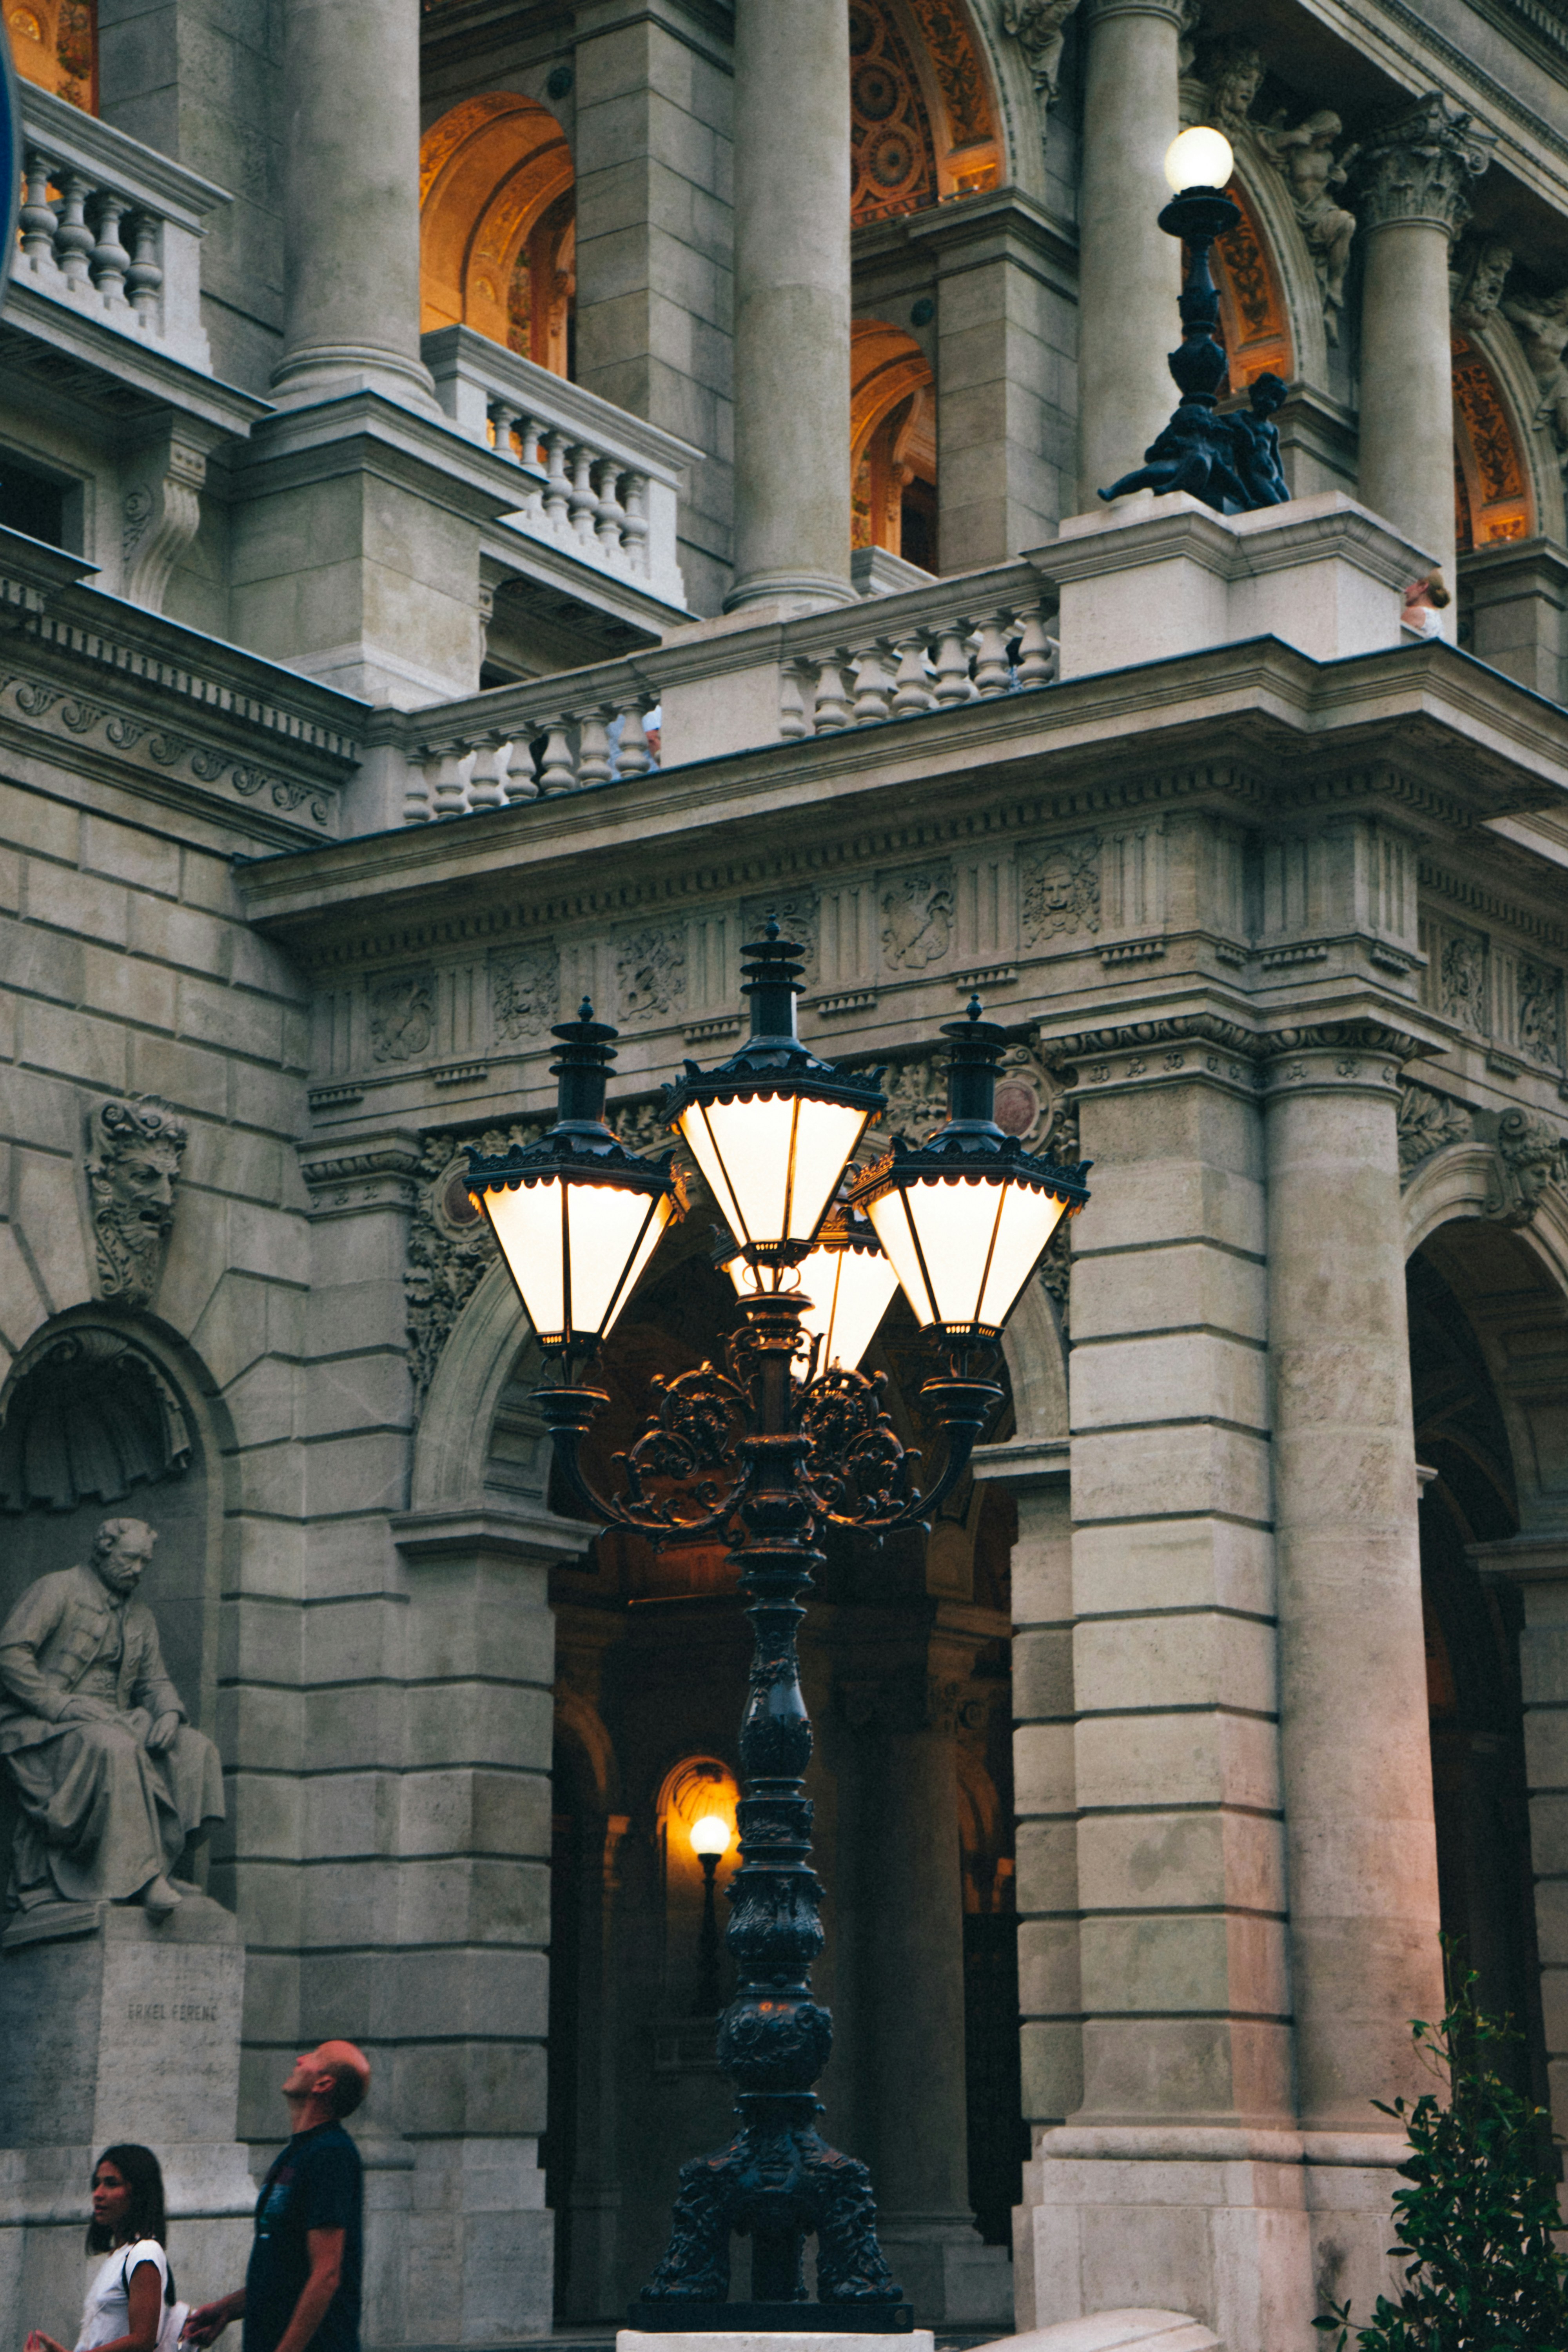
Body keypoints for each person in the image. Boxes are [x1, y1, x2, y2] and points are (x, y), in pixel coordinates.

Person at [0, 1517, 224, 1924]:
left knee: (195, 1749)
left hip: (114, 1719)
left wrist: (171, 1713)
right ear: (103, 1552)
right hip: (42, 1727)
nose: (138, 1570)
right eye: (130, 1559)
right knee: (114, 1747)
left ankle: (164, 1868)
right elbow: (10, 1655)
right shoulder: (58, 1588)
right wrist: (59, 1705)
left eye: (145, 1562)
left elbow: (154, 1681)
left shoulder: (140, 1616)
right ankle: (141, 1879)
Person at [182, 2042, 371, 2352]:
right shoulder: (297, 2154)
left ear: (323, 2084)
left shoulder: (332, 2155)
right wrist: (228, 2309)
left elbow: (327, 2273)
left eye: (313, 2057)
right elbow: (286, 2273)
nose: (299, 2058)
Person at [25, 2143, 185, 2352]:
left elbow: (143, 2341)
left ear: (138, 2192)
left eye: (111, 2184)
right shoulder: (119, 2255)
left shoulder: (145, 2252)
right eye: (97, 2184)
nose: (98, 2194)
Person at [1401, 573, 1452, 639]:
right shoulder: (1436, 618)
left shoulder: (1416, 613)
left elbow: (1394, 642)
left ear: (1423, 587)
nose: (1406, 591)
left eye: (1409, 584)